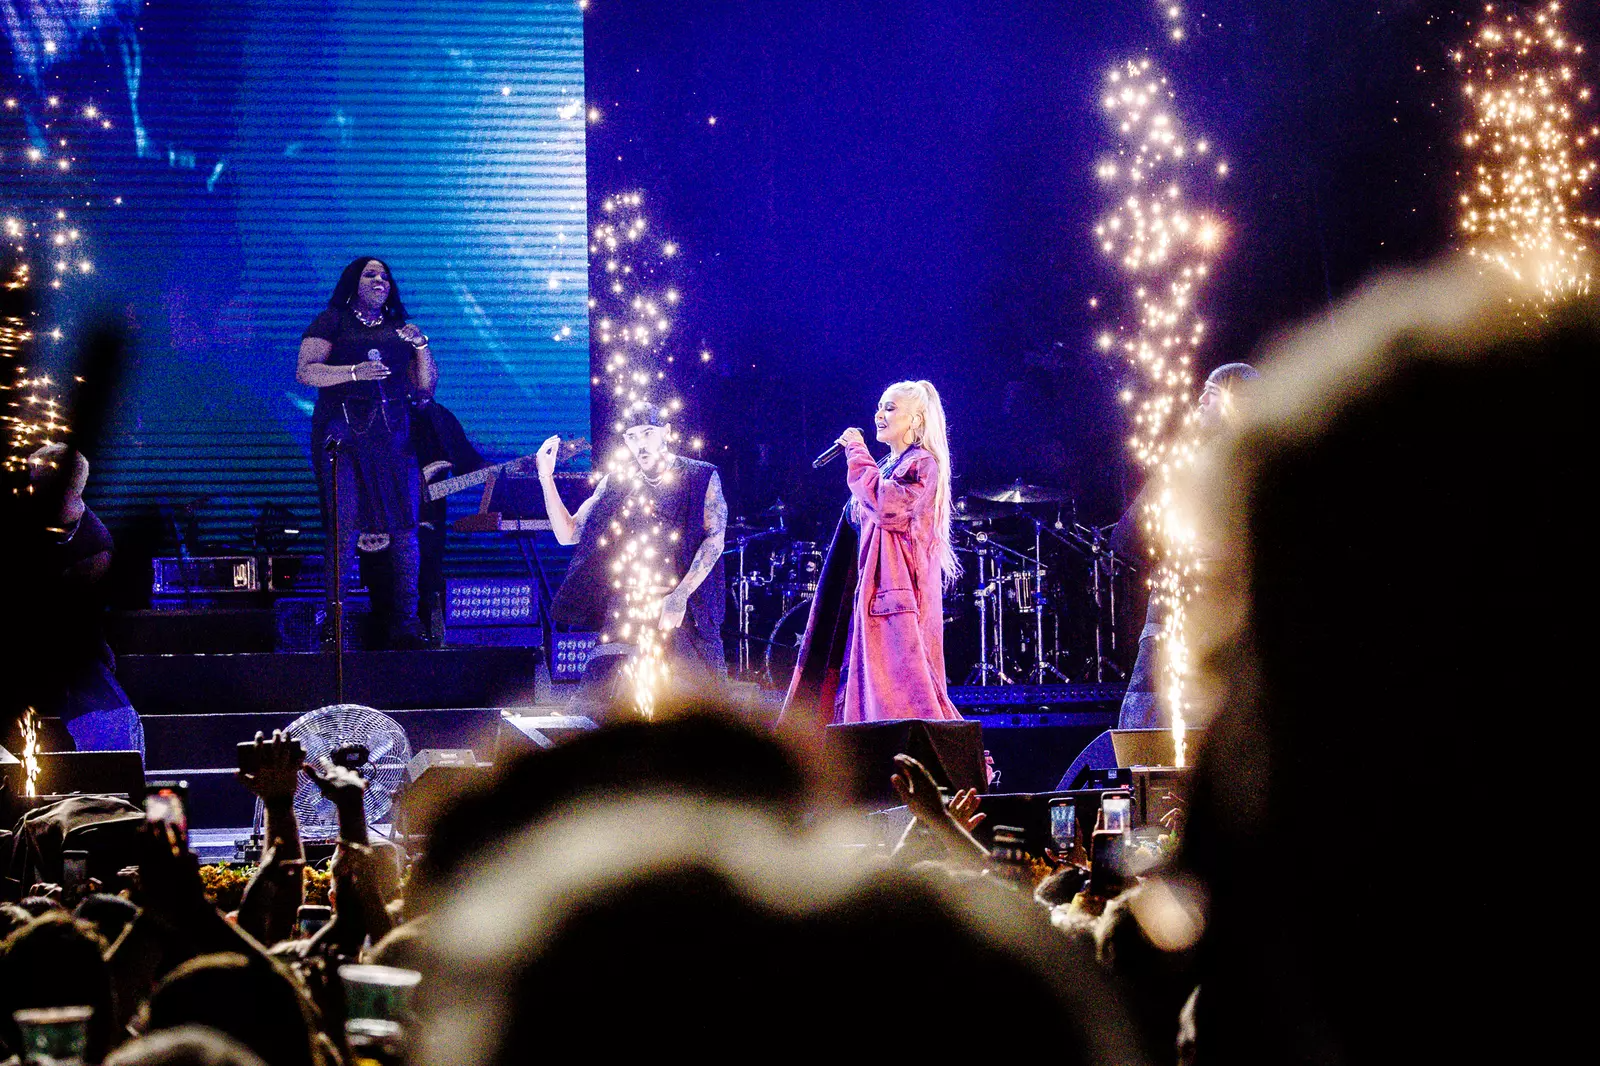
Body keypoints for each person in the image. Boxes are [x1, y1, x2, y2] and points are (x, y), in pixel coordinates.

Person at [781, 380, 961, 726]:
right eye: (879, 406)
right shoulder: (890, 464)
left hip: (899, 603)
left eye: (890, 408)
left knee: (905, 701)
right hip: (873, 596)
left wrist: (856, 451)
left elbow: (885, 504)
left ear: (916, 420)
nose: (879, 414)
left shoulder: (922, 464)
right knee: (869, 700)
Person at [537, 405, 726, 718]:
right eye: (632, 436)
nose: (641, 444)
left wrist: (680, 595)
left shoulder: (699, 475)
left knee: (699, 713)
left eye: (648, 433)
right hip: (626, 612)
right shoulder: (617, 483)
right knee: (592, 708)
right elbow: (568, 534)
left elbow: (714, 539)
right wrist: (546, 477)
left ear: (666, 432)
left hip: (684, 613)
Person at [295, 256, 437, 649]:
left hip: (394, 439)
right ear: (352, 283)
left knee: (405, 530)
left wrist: (422, 346)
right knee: (344, 531)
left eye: (385, 276)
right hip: (344, 437)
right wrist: (354, 372)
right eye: (370, 274)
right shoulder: (333, 321)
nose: (380, 280)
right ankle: (336, 627)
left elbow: (424, 388)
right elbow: (305, 371)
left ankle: (406, 625)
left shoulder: (400, 329)